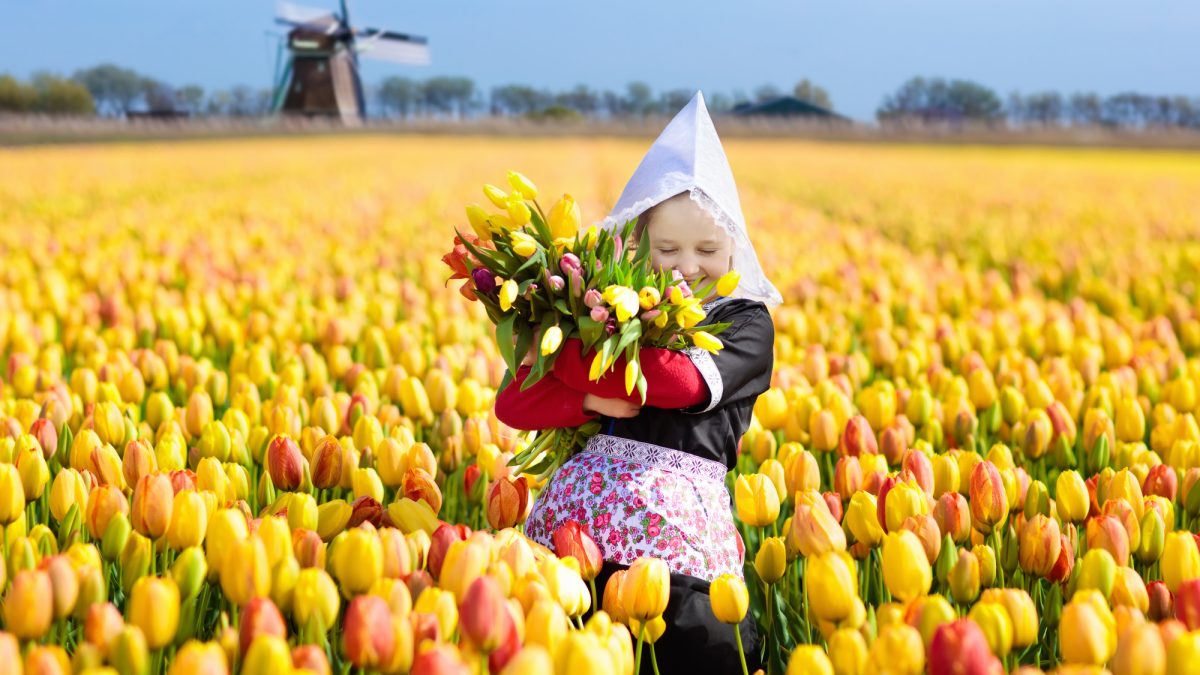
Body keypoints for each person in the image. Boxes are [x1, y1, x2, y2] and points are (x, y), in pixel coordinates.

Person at [495, 91, 781, 674]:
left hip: (674, 538)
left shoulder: (745, 322)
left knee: (692, 647)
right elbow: (514, 402)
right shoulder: (619, 312)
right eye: (667, 249)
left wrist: (577, 344)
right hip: (577, 528)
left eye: (708, 249)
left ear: (734, 247)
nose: (687, 266)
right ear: (637, 248)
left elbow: (677, 383)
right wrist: (592, 395)